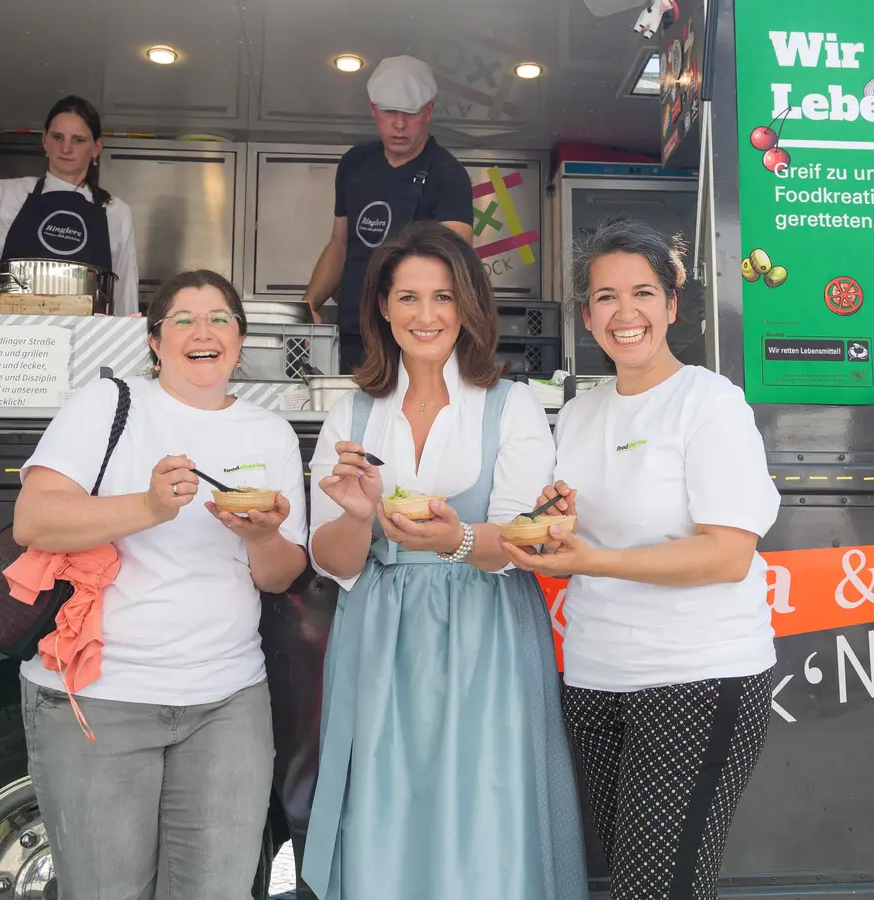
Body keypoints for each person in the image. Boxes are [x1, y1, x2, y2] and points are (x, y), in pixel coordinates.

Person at [301, 222, 586, 900]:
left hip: (486, 629)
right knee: (382, 807)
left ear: (468, 306)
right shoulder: (352, 413)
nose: (425, 316)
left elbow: (521, 542)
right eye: (407, 298)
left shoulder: (511, 406)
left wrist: (458, 540)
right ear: (382, 307)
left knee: (487, 811)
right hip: (379, 634)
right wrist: (356, 514)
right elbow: (332, 559)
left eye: (442, 297)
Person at [503, 218, 781, 900]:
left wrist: (593, 561)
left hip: (698, 679)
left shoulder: (709, 404)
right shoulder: (578, 415)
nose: (625, 313)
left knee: (654, 890)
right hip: (598, 679)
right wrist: (551, 532)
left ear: (672, 305)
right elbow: (579, 546)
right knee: (627, 884)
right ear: (587, 314)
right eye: (605, 297)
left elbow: (725, 556)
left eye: (643, 293)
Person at [11, 269, 307, 899]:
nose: (204, 333)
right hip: (100, 698)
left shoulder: (269, 433)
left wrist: (259, 536)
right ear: (154, 341)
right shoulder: (109, 405)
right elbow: (33, 520)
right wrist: (148, 505)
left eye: (220, 319)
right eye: (184, 320)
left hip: (227, 702)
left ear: (240, 336)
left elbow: (280, 575)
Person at [301, 56, 474, 371]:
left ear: (428, 112)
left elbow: (455, 264)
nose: (398, 125)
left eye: (410, 115)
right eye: (389, 113)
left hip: (412, 336)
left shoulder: (448, 175)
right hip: (352, 333)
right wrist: (308, 306)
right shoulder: (354, 164)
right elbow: (339, 246)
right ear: (372, 109)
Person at [0, 95, 140, 314]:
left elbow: (124, 295)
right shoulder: (6, 194)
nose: (66, 149)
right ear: (44, 140)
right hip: (10, 335)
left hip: (85, 342)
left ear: (96, 148)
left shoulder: (115, 212)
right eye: (57, 137)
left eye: (78, 140)